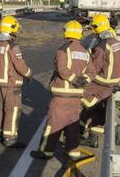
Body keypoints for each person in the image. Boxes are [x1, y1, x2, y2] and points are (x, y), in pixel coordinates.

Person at [30, 20, 95, 159]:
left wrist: (74, 80)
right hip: (77, 96)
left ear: (66, 33)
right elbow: (92, 73)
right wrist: (83, 81)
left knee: (53, 124)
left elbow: (62, 69)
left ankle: (46, 152)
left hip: (62, 95)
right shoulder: (85, 52)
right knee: (72, 125)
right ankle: (73, 152)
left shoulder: (63, 50)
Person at [79, 14, 120, 148]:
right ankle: (93, 138)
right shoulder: (115, 42)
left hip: (102, 81)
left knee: (79, 94)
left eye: (94, 28)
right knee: (99, 108)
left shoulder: (102, 46)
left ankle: (80, 126)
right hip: (113, 81)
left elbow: (94, 68)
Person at [0, 16, 32, 148]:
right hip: (11, 83)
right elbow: (19, 65)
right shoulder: (12, 46)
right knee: (13, 110)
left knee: (0, 108)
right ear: (11, 30)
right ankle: (10, 138)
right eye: (16, 30)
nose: (17, 32)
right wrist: (28, 74)